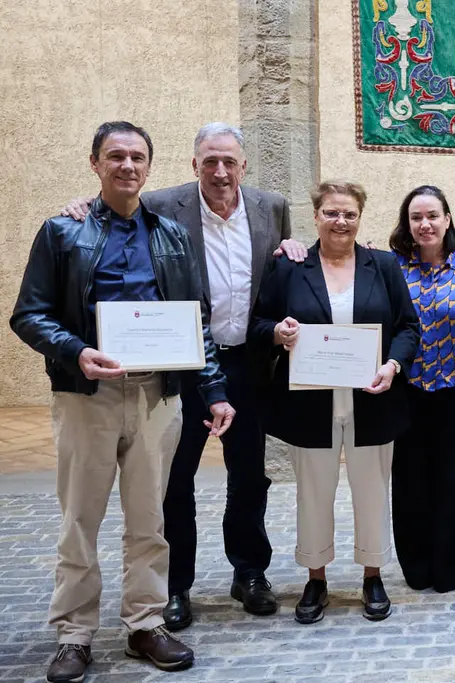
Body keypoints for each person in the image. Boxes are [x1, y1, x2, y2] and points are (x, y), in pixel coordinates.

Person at [12, 121, 233, 683]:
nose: (127, 166)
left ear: (150, 167)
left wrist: (214, 390)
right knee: (79, 518)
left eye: (137, 157)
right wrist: (78, 352)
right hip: (88, 394)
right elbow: (29, 315)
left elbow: (196, 322)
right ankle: (74, 634)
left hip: (157, 396)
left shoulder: (172, 236)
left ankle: (144, 622)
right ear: (95, 164)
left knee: (149, 518)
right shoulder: (64, 232)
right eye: (116, 156)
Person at [57, 123, 298, 629]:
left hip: (251, 361)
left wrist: (297, 249)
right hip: (182, 362)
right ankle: (175, 585)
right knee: (172, 479)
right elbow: (116, 209)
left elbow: (280, 268)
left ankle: (250, 571)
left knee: (251, 474)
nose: (220, 171)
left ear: (244, 166)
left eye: (229, 161)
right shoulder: (164, 206)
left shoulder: (271, 207)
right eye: (209, 161)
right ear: (194, 166)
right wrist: (81, 205)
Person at [250, 180, 420, 623]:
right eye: (331, 212)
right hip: (310, 403)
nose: (340, 221)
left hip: (372, 398)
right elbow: (260, 322)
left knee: (371, 490)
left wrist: (393, 366)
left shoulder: (382, 266)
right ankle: (316, 578)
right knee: (313, 492)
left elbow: (407, 328)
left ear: (360, 217)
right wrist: (277, 332)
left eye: (348, 213)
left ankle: (372, 574)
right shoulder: (291, 268)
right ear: (317, 216)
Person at [389, 186, 455, 592]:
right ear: (407, 224)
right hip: (407, 391)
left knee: (453, 482)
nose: (425, 224)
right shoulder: (391, 268)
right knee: (411, 481)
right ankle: (417, 566)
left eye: (433, 215)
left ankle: (452, 567)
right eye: (416, 217)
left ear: (448, 219)